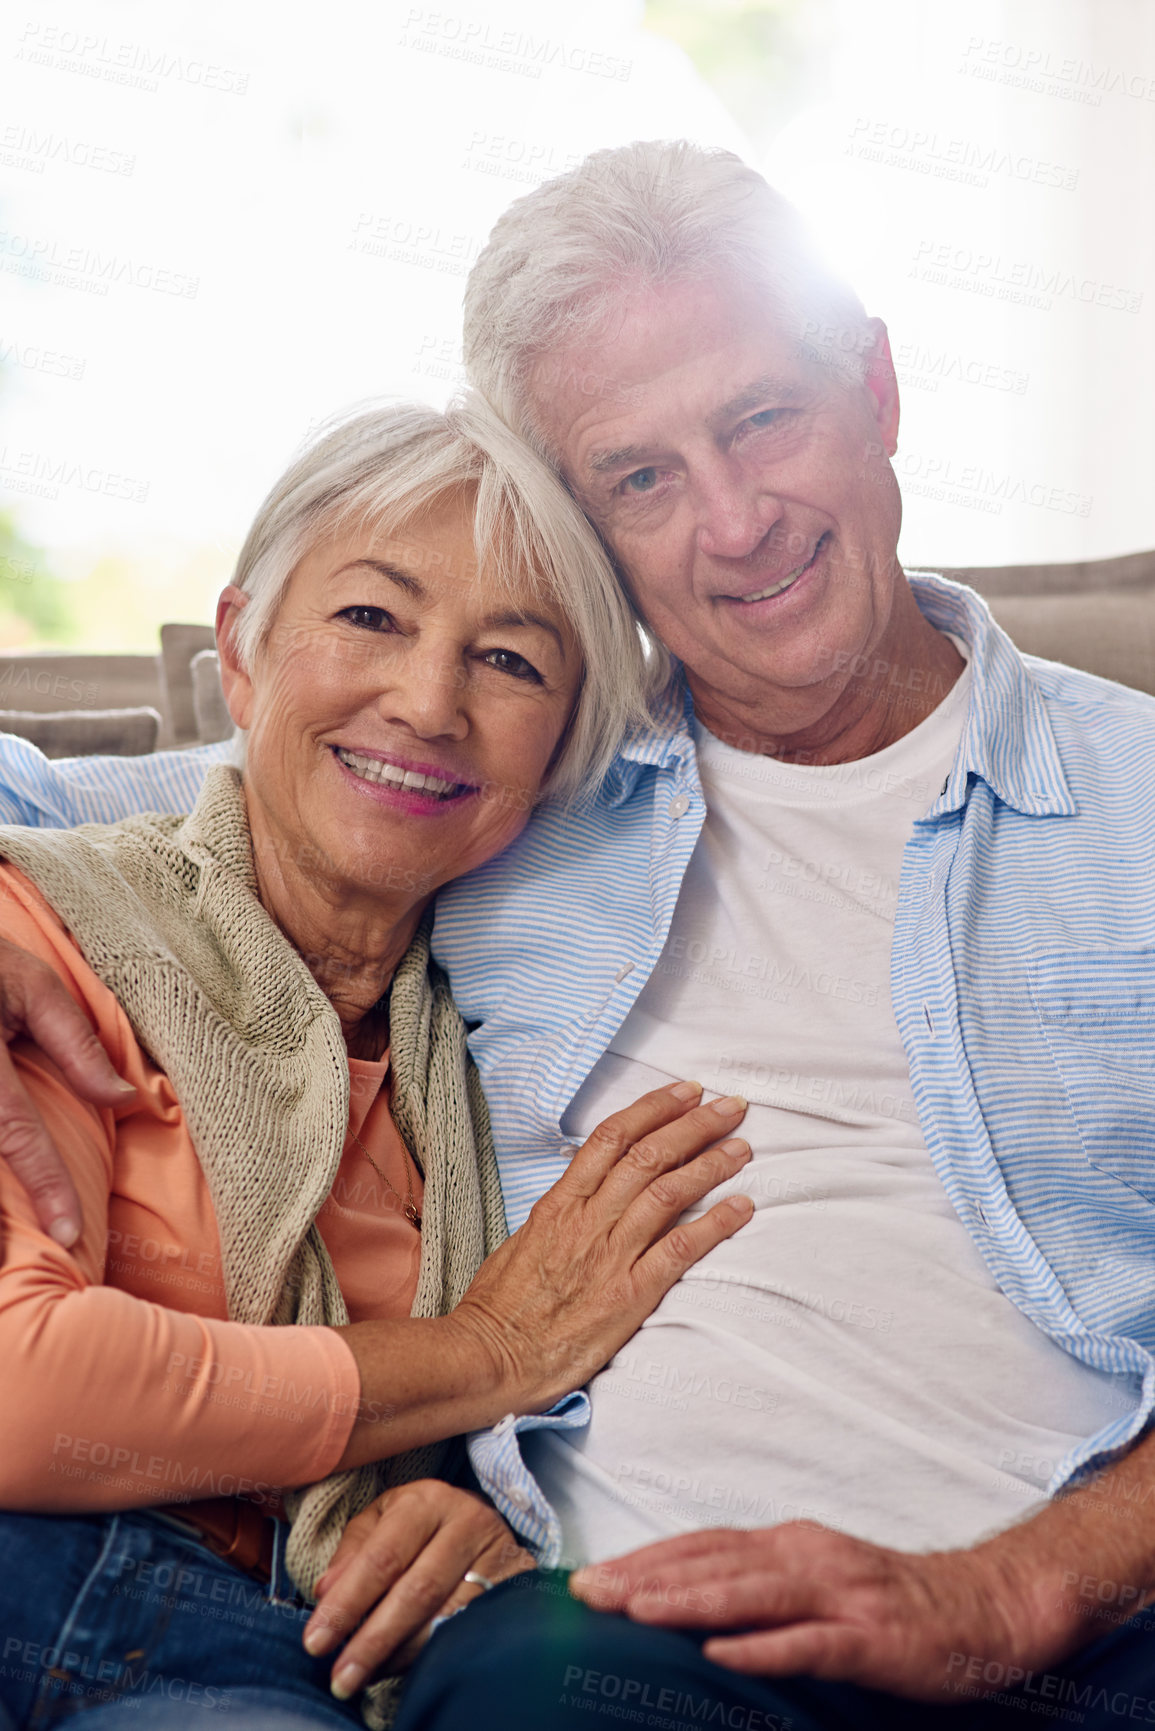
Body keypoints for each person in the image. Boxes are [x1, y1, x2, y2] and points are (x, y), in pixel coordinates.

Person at [1, 141, 1154, 1729]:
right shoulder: (503, 782)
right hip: (625, 1636)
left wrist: (1014, 1590)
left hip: (1098, 1616)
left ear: (876, 392)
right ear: (584, 529)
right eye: (640, 477)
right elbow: (186, 795)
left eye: (764, 418)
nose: (737, 522)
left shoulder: (1138, 807)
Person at [0, 394, 756, 1731]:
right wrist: (481, 1349)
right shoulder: (47, 934)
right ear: (240, 652)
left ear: (561, 756)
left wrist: (464, 1522)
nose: (427, 702)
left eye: (512, 663)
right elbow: (23, 1390)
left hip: (281, 1657)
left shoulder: (511, 1060)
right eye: (370, 618)